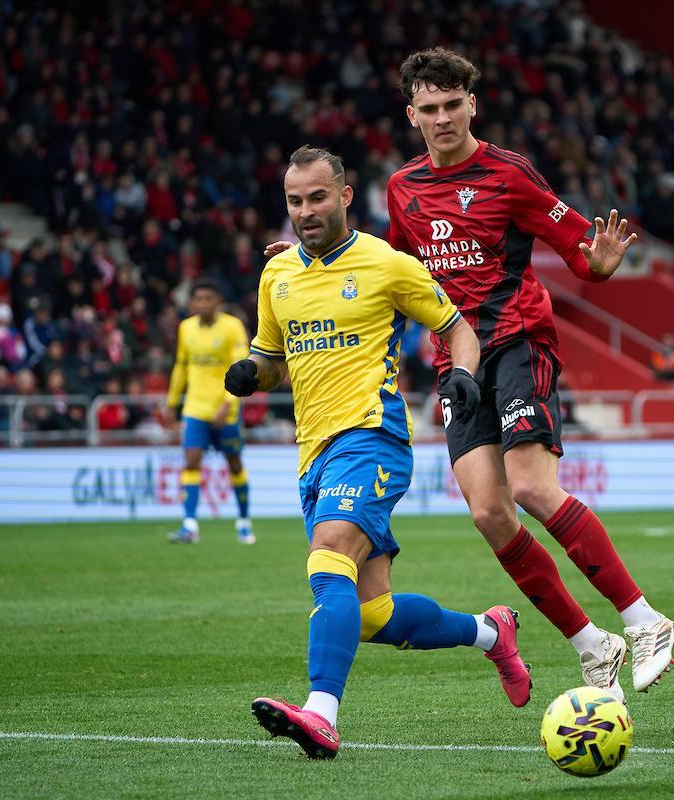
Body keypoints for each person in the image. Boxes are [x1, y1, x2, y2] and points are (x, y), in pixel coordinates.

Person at [266, 48, 674, 701]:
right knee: (490, 513)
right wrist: (305, 261)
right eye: (428, 108)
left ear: (472, 105)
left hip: (517, 341)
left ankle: (644, 619)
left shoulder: (509, 174)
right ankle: (592, 644)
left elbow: (580, 250)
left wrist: (598, 265)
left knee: (531, 487)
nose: (442, 119)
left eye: (452, 105)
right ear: (411, 115)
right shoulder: (403, 189)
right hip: (455, 364)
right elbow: (389, 270)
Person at [226, 146, 530, 760]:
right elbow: (273, 359)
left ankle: (321, 714)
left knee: (329, 556)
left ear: (344, 196)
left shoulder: (386, 264)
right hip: (313, 453)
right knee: (371, 614)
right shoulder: (276, 275)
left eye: (317, 197)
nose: (306, 211)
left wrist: (463, 374)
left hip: (372, 437)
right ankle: (489, 631)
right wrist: (252, 373)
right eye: (294, 201)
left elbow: (457, 328)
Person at [163, 277, 254, 544]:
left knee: (234, 463)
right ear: (192, 302)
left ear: (218, 301)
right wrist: (171, 403)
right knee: (191, 461)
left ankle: (244, 521)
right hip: (195, 408)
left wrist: (227, 403)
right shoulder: (186, 328)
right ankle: (189, 525)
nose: (203, 303)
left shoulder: (232, 327)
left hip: (225, 409)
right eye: (198, 299)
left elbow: (241, 367)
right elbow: (181, 366)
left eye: (208, 298)